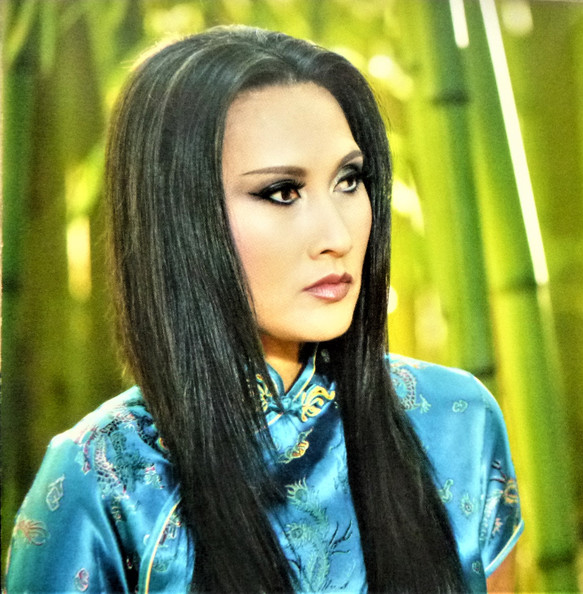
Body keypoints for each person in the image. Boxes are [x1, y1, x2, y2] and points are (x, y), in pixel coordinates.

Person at [5, 25, 523, 593]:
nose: (337, 235)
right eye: (282, 192)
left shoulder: (454, 419)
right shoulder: (103, 477)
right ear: (180, 217)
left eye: (349, 180)